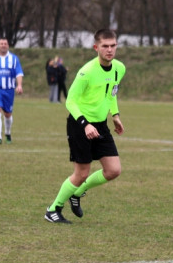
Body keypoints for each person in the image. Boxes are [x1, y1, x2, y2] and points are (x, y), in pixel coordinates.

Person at [44, 29, 126, 224]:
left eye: (113, 46)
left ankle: (77, 192)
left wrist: (115, 115)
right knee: (81, 173)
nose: (109, 50)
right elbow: (70, 102)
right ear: (96, 47)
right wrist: (85, 125)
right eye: (105, 46)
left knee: (113, 170)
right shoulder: (86, 72)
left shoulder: (119, 68)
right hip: (79, 124)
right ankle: (53, 209)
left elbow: (111, 93)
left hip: (100, 125)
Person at [0, 38, 24, 144]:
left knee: (8, 114)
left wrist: (19, 85)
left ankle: (7, 133)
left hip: (9, 90)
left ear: (8, 46)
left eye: (5, 43)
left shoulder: (14, 59)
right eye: (1, 43)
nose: (3, 45)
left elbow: (19, 73)